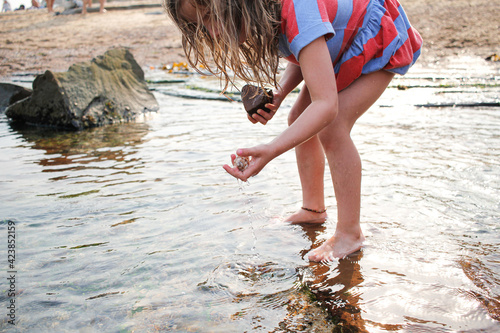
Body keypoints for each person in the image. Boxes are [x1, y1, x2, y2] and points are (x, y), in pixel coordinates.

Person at [165, 0, 422, 262]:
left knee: (332, 126)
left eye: (213, 16)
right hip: (343, 43)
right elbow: (306, 50)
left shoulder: (300, 7)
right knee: (299, 117)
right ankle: (313, 209)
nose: (214, 32)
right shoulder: (268, 12)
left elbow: (326, 105)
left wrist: (271, 149)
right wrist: (281, 92)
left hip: (377, 34)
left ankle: (349, 233)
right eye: (201, 25)